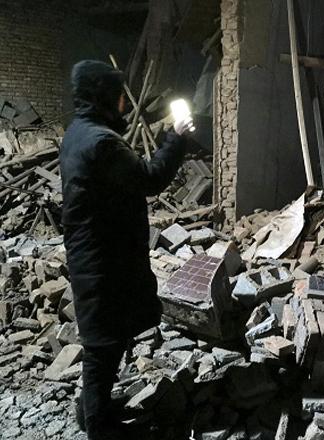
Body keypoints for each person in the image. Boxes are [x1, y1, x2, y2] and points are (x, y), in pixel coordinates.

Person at [60, 60, 193, 439]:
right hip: (104, 258)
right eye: (119, 96)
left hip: (96, 251)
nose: (123, 104)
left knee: (105, 339)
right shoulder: (102, 143)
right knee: (103, 345)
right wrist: (177, 137)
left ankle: (93, 408)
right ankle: (99, 426)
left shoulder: (78, 132)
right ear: (104, 95)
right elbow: (150, 179)